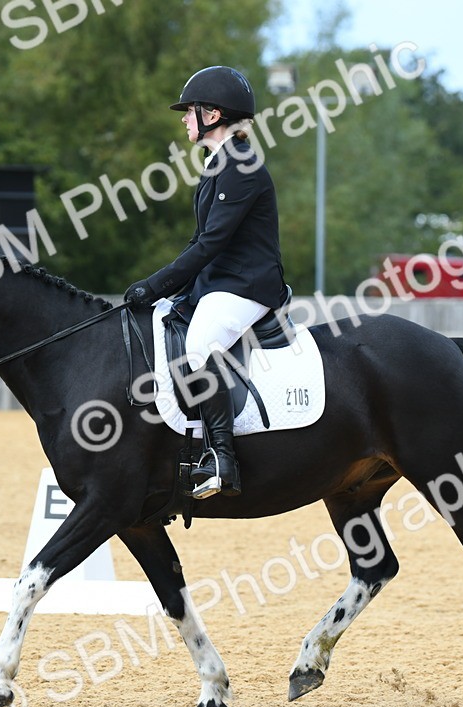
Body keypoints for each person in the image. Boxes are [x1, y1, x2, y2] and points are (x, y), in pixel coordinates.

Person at [125, 65, 289, 500]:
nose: (184, 119)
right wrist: (168, 291)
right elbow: (200, 240)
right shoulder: (221, 162)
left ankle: (222, 457)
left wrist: (155, 284)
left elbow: (212, 242)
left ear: (212, 115)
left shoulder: (241, 164)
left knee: (200, 345)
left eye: (189, 111)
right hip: (220, 283)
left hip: (246, 286)